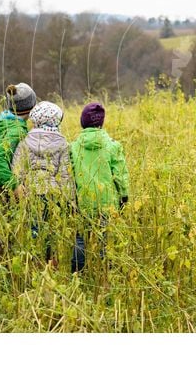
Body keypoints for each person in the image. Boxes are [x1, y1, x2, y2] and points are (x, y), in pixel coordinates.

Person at [11, 101, 76, 269]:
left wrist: (18, 188)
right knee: (51, 229)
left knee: (34, 227)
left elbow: (16, 169)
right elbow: (65, 175)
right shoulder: (63, 144)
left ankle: (34, 263)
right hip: (53, 194)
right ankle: (50, 263)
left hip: (31, 192)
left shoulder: (25, 142)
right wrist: (70, 201)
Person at [69, 102, 130, 272]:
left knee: (81, 238)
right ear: (101, 123)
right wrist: (124, 197)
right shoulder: (113, 146)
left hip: (82, 202)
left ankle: (77, 272)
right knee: (105, 239)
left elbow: (70, 175)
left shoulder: (73, 147)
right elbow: (121, 175)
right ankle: (106, 272)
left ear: (82, 122)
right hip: (107, 203)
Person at [0, 82, 36, 257]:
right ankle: (0, 270)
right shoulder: (15, 131)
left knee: (3, 231)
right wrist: (15, 185)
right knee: (5, 234)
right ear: (31, 106)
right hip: (4, 187)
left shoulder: (4, 121)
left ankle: (2, 266)